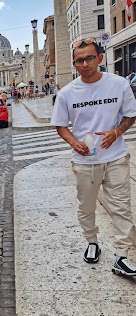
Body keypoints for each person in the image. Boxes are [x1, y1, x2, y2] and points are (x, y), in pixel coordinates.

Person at [51, 37, 136, 276]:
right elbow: (60, 125)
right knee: (86, 207)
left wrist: (117, 131)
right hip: (85, 161)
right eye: (79, 60)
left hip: (116, 157)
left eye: (89, 58)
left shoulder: (119, 84)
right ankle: (92, 242)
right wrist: (74, 142)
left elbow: (131, 115)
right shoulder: (67, 93)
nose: (85, 64)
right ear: (75, 64)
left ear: (100, 58)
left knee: (121, 208)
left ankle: (121, 255)